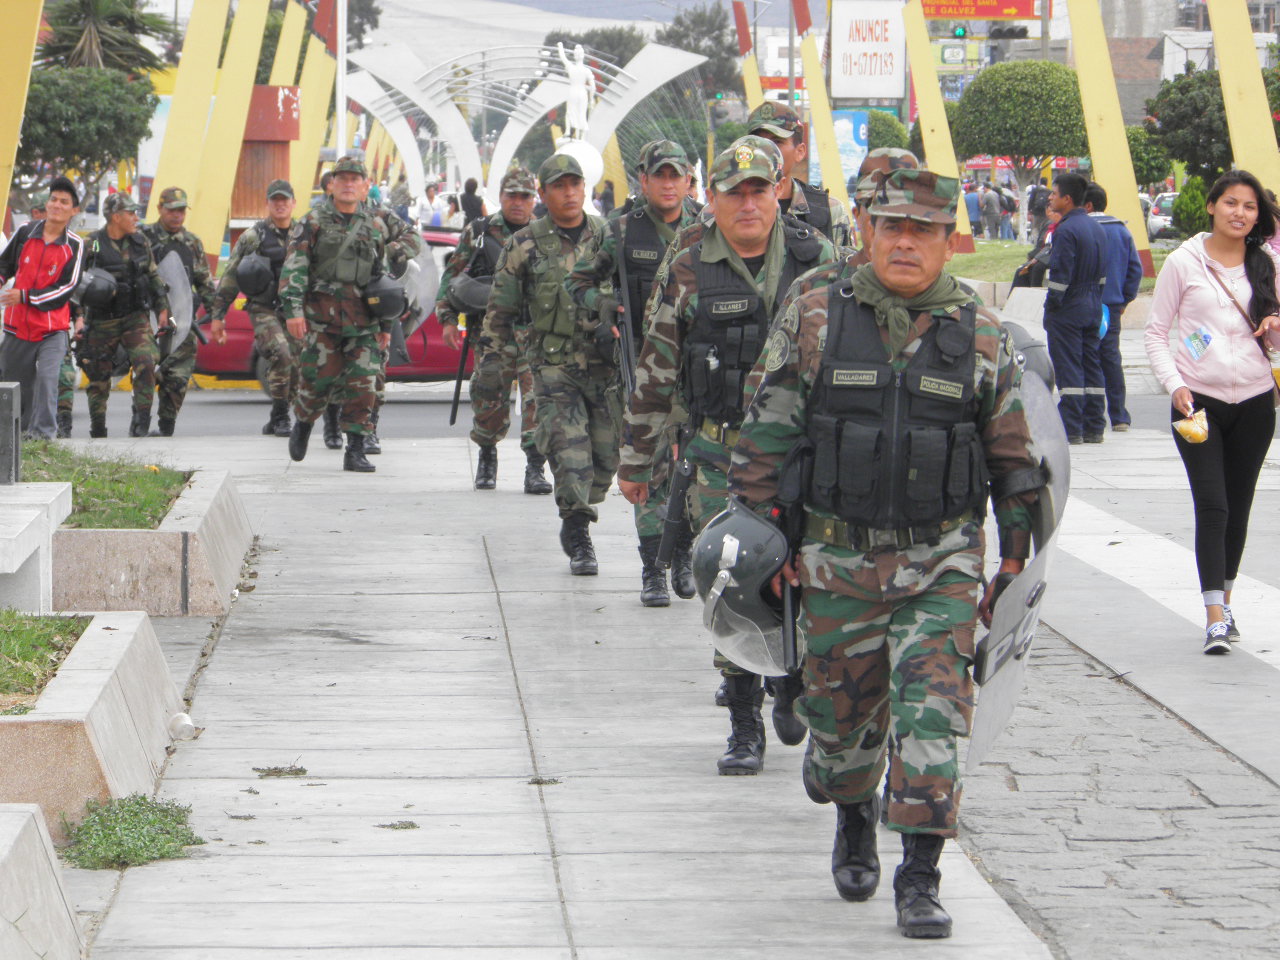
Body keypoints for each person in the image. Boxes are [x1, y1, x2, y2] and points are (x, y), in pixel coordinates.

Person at [728, 167, 1043, 938]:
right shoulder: (817, 314)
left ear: (947, 241)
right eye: (892, 226)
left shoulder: (983, 333)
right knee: (842, 733)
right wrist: (766, 548)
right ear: (868, 230)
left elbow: (1013, 456)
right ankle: (852, 817)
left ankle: (920, 876)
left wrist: (1014, 562)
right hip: (835, 564)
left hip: (942, 565)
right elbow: (767, 434)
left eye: (923, 230)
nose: (906, 242)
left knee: (932, 722)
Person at [616, 136, 838, 774]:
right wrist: (637, 460)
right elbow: (657, 366)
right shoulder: (688, 264)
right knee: (731, 584)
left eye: (759, 190)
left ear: (779, 192)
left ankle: (795, 683)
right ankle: (744, 723)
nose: (747, 204)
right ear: (709, 198)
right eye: (733, 192)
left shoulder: (817, 258)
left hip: (804, 457)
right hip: (721, 456)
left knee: (813, 577)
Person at [1144, 169, 1280, 655]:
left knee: (1239, 507)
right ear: (1211, 206)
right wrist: (1175, 385)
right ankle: (1214, 617)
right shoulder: (1184, 262)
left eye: (1249, 206)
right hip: (1196, 404)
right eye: (1231, 203)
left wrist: (1275, 323)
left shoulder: (1267, 264)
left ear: (1258, 216)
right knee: (1213, 505)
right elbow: (1156, 332)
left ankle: (1227, 599)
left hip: (1257, 403)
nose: (1239, 213)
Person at [565, 140, 702, 607]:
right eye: (658, 175)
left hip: (698, 369)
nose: (667, 184)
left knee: (694, 469)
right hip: (645, 369)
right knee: (650, 468)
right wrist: (604, 305)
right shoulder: (620, 231)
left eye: (675, 175)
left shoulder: (708, 226)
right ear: (643, 180)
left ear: (688, 180)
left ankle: (684, 553)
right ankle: (653, 568)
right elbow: (578, 282)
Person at [481, 154, 616, 575]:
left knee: (606, 458)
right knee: (569, 452)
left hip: (605, 366)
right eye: (559, 186)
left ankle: (579, 509)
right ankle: (578, 531)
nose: (569, 193)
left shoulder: (608, 236)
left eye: (575, 184)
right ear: (544, 193)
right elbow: (500, 311)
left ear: (585, 188)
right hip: (554, 367)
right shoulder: (524, 243)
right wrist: (492, 366)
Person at [438, 168, 548, 493]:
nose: (518, 202)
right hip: (492, 334)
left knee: (538, 399)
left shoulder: (546, 233)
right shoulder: (480, 231)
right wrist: (447, 318)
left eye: (525, 196)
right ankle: (487, 457)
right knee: (488, 396)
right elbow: (452, 276)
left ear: (534, 199)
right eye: (512, 195)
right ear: (500, 197)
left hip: (535, 334)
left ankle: (535, 467)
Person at [281, 155, 391, 473]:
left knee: (363, 386)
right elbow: (295, 268)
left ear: (365, 186)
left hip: (363, 322)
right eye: (342, 178)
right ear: (331, 184)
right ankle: (303, 422)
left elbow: (381, 278)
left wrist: (386, 323)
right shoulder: (312, 222)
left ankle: (355, 450)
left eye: (354, 179)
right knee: (317, 383)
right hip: (322, 319)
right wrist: (293, 310)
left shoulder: (373, 226)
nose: (348, 184)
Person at [210, 179, 300, 437]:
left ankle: (276, 414)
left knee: (297, 365)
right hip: (264, 308)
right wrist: (218, 316)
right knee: (281, 353)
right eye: (275, 200)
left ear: (293, 203)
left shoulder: (305, 235)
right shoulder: (254, 237)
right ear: (268, 203)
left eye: (285, 200)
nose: (280, 205)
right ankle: (282, 417)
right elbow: (230, 275)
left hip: (295, 311)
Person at [79, 192, 171, 438]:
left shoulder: (140, 242)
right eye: (131, 213)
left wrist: (162, 308)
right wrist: (78, 317)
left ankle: (141, 422)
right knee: (98, 376)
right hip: (101, 319)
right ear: (116, 217)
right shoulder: (92, 244)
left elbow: (152, 275)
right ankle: (98, 427)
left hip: (134, 316)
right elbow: (76, 283)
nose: (135, 218)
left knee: (146, 362)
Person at [0, 177, 84, 439]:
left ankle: (44, 438)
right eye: (53, 199)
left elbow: (66, 288)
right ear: (47, 204)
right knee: (16, 387)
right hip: (16, 327)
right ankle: (16, 439)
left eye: (64, 202)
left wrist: (25, 296)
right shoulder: (25, 232)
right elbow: (4, 266)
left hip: (52, 330)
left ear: (74, 210)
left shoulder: (75, 245)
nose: (57, 205)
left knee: (48, 381)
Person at [140, 186, 216, 437]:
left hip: (181, 320)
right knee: (144, 372)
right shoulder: (142, 237)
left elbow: (204, 282)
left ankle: (166, 428)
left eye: (181, 211)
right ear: (160, 209)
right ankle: (139, 425)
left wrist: (217, 315)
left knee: (178, 377)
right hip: (147, 318)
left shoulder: (192, 242)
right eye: (172, 210)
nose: (177, 215)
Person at [1042, 173, 1107, 443]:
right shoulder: (1096, 228)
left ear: (1067, 199)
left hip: (1069, 309)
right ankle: (1095, 425)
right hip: (1092, 305)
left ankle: (1071, 427)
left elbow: (1060, 276)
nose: (1050, 198)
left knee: (1069, 366)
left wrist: (1052, 307)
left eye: (1054, 194)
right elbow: (1102, 274)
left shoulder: (1066, 230)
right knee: (1092, 365)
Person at [363, 177, 424, 454]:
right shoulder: (323, 220)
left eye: (357, 180)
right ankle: (331, 421)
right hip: (336, 307)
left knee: (375, 371)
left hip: (375, 306)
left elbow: (414, 239)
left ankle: (368, 431)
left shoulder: (380, 216)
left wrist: (387, 253)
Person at [746, 101, 852, 247]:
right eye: (756, 142)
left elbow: (846, 260)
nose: (766, 150)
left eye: (777, 142)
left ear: (800, 151)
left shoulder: (830, 211)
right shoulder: (729, 207)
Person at [1083, 183, 1142, 432]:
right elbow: (1135, 269)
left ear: (1087, 205)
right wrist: (1124, 299)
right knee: (1110, 358)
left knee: (1085, 357)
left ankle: (1090, 415)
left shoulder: (1080, 229)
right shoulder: (1121, 231)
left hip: (1083, 304)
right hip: (1112, 305)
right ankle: (1119, 416)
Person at [849, 148, 918, 268]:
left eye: (903, 207)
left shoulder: (937, 279)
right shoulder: (823, 278)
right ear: (857, 215)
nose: (890, 217)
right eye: (877, 206)